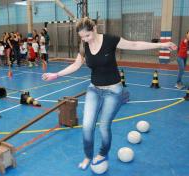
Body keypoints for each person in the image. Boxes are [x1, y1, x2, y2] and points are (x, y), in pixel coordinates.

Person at [42, 17, 177, 171]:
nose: (86, 39)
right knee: (87, 126)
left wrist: (162, 44)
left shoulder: (110, 40)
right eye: (82, 37)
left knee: (104, 127)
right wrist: (57, 74)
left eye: (87, 35)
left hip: (113, 90)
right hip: (94, 89)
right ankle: (88, 156)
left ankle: (102, 154)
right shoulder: (84, 46)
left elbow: (134, 45)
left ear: (94, 29)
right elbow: (76, 64)